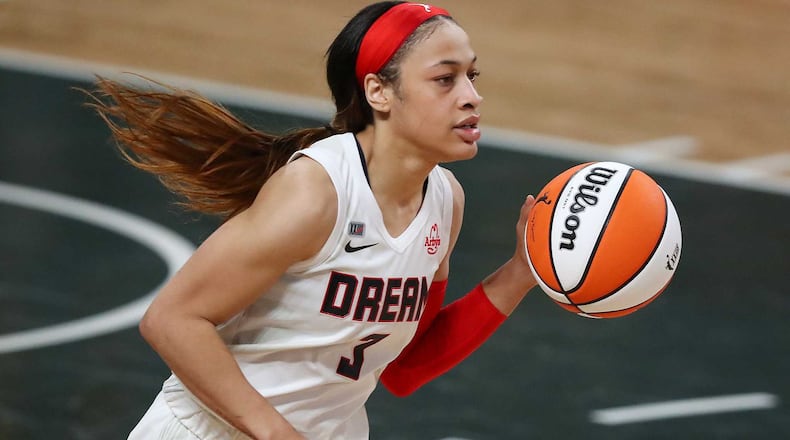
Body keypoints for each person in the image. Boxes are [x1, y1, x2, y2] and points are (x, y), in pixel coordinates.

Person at [87, 2, 538, 439]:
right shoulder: (316, 191)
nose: (472, 97)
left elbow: (403, 367)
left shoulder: (445, 200)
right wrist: (277, 434)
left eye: (471, 76)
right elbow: (172, 320)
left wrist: (519, 273)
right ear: (378, 91)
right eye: (445, 79)